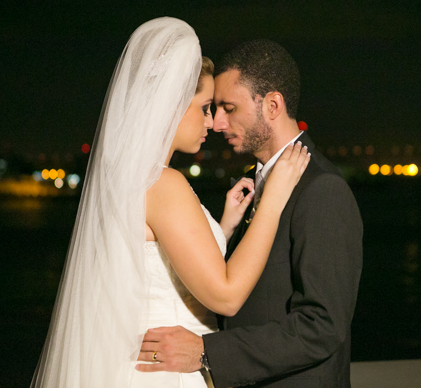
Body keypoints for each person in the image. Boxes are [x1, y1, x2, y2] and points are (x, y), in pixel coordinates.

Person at [31, 19, 310, 388]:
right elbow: (225, 297)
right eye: (204, 108)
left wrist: (222, 227)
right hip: (167, 373)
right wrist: (272, 199)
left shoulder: (126, 179)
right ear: (170, 105)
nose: (212, 122)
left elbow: (159, 261)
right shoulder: (163, 184)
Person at [137, 40, 364, 387]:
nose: (217, 123)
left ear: (272, 105)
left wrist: (207, 352)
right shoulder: (248, 187)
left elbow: (323, 327)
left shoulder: (321, 189)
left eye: (229, 108)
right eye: (215, 108)